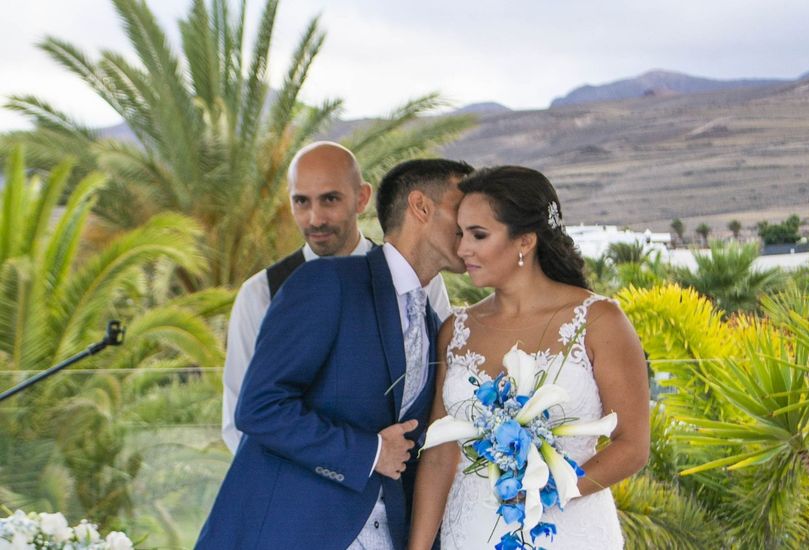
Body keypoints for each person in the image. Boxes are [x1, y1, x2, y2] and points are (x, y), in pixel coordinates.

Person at [196, 158, 474, 550]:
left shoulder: (431, 319)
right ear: (421, 207)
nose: (474, 228)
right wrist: (369, 452)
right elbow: (259, 408)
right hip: (293, 532)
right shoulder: (325, 282)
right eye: (463, 211)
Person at [408, 166, 650, 550]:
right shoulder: (456, 330)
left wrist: (548, 491)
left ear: (525, 241)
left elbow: (632, 445)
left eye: (478, 235)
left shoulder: (599, 320)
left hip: (567, 530)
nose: (462, 249)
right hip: (469, 530)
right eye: (461, 234)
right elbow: (439, 456)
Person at [221, 142, 450, 453]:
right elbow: (240, 420)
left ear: (362, 198)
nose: (315, 218)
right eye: (301, 201)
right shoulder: (260, 294)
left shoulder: (420, 282)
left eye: (329, 199)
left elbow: (440, 394)